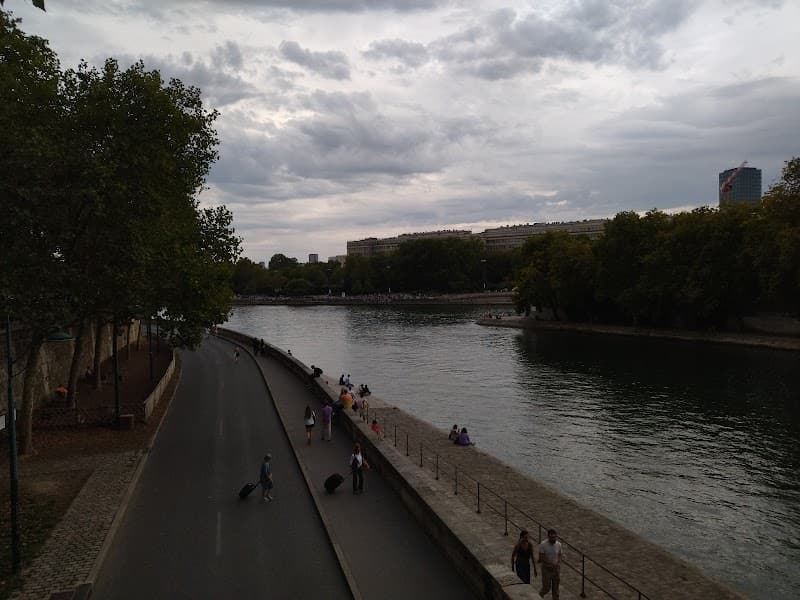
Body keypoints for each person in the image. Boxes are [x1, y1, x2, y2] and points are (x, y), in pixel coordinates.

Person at [538, 528, 563, 599]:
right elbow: (541, 557)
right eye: (552, 537)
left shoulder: (559, 544)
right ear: (548, 537)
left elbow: (560, 554)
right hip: (547, 569)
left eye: (555, 537)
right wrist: (549, 564)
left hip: (556, 569)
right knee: (546, 588)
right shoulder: (543, 545)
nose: (554, 539)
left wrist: (558, 563)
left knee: (556, 590)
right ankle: (539, 596)